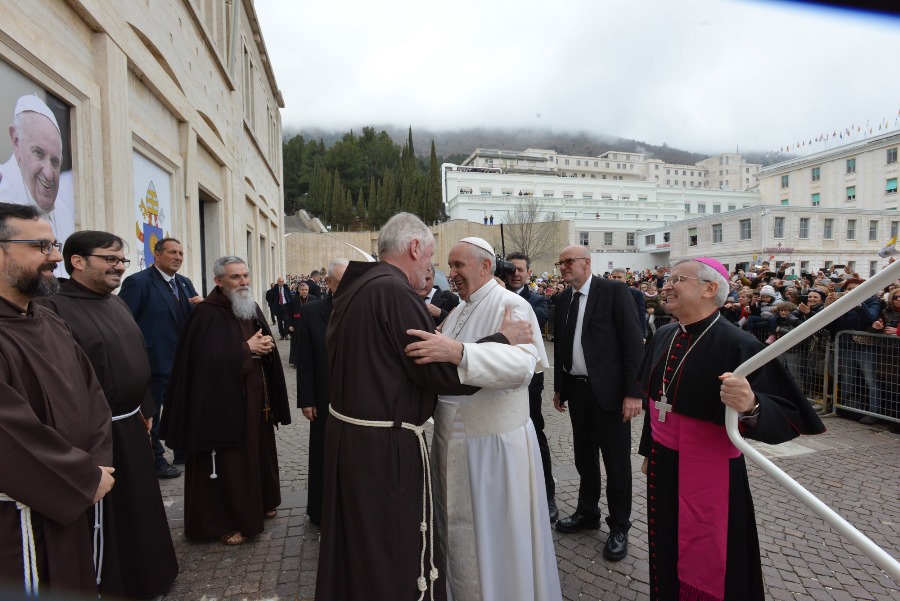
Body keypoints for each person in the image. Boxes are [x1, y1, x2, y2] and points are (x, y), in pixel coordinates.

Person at [315, 213, 531, 601]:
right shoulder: (396, 293)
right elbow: (439, 376)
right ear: (415, 248)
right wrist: (502, 338)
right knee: (392, 543)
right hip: (384, 447)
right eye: (434, 260)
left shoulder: (358, 286)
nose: (438, 271)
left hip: (352, 439)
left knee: (361, 541)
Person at [638, 257, 825, 601]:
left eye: (677, 279)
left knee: (716, 559)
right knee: (662, 545)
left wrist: (751, 404)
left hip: (712, 475)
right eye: (668, 278)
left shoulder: (742, 346)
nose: (666, 285)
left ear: (710, 289)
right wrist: (648, 448)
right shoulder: (664, 334)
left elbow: (789, 417)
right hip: (662, 463)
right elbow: (656, 402)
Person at [410, 238, 560, 600]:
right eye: (450, 265)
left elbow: (523, 367)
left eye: (460, 265)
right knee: (458, 534)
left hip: (494, 446)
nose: (452, 274)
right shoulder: (459, 310)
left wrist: (459, 351)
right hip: (454, 439)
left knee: (496, 536)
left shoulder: (512, 304)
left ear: (485, 267)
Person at [35, 230, 178, 598]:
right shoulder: (54, 307)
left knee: (140, 508)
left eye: (122, 261)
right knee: (111, 518)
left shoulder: (115, 302)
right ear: (77, 262)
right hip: (94, 434)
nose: (119, 267)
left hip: (131, 422)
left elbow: (135, 358)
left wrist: (146, 407)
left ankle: (150, 575)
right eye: (109, 259)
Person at [0, 203, 114, 595]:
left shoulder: (49, 319)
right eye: (40, 246)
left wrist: (97, 463)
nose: (54, 257)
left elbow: (92, 394)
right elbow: (9, 432)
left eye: (54, 244)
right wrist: (82, 477)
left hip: (71, 496)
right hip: (18, 519)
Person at [159, 256, 290, 545]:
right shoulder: (206, 314)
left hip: (255, 402)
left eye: (245, 275)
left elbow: (258, 342)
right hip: (221, 409)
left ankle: (259, 502)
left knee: (256, 454)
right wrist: (246, 349)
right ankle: (223, 522)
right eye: (235, 277)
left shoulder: (251, 307)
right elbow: (201, 364)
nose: (243, 282)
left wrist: (265, 345)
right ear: (219, 281)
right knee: (230, 465)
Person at [552, 246, 644, 562]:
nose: (562, 267)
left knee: (617, 463)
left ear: (587, 263)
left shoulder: (615, 291)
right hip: (577, 392)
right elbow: (562, 347)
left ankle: (619, 526)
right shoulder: (564, 298)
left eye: (568, 262)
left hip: (611, 394)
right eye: (560, 263)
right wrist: (559, 388)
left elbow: (633, 343)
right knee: (584, 457)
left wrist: (634, 393)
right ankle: (587, 511)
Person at [119, 237, 202, 478]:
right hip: (153, 363)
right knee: (152, 413)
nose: (177, 257)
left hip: (182, 362)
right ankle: (155, 458)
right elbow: (125, 322)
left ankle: (182, 449)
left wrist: (202, 306)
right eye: (172, 253)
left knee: (181, 408)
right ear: (156, 255)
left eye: (181, 253)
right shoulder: (138, 283)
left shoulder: (185, 283)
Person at [504, 250, 558, 522]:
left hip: (529, 383)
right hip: (501, 382)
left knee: (536, 436)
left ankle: (548, 496)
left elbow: (531, 323)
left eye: (520, 270)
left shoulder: (537, 300)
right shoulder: (496, 297)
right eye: (510, 269)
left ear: (528, 272)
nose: (515, 273)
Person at [297, 258, 349, 526]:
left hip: (356, 401)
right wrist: (306, 399)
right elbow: (303, 360)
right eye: (341, 281)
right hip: (323, 397)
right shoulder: (311, 313)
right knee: (322, 453)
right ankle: (320, 509)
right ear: (328, 283)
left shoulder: (363, 309)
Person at [0, 95, 74, 277]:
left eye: (55, 161)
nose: (49, 173)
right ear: (16, 141)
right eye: (38, 153)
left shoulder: (63, 212)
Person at [610, 266, 648, 339]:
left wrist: (643, 335)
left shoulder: (636, 294)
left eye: (619, 277)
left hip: (629, 331)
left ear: (625, 278)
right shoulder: (606, 293)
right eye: (614, 277)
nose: (616, 279)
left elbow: (641, 314)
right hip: (611, 332)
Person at [288, 281, 312, 365]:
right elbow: (289, 313)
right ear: (298, 290)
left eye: (306, 289)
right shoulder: (293, 300)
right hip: (297, 323)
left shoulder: (313, 299)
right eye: (302, 289)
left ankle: (309, 361)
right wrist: (290, 325)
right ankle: (296, 361)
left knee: (309, 342)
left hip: (310, 324)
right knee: (296, 343)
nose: (304, 291)